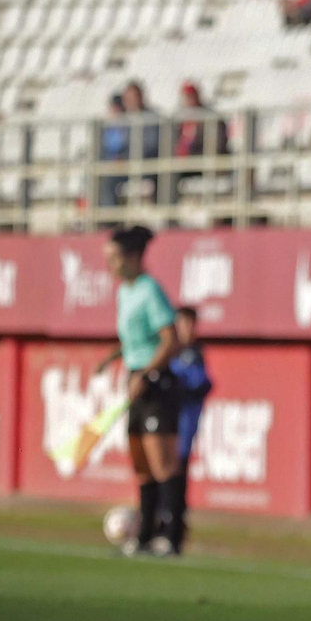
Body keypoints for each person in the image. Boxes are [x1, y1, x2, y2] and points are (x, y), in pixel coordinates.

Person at [96, 227, 187, 557]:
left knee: (163, 464)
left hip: (156, 383)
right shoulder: (125, 292)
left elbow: (170, 340)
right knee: (141, 465)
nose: (110, 265)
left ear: (133, 257)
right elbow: (135, 340)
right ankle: (145, 535)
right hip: (136, 379)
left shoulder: (150, 291)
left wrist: (147, 374)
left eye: (114, 258)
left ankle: (171, 536)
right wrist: (113, 358)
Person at [168, 306, 213, 549]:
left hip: (183, 427)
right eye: (182, 323)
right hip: (165, 425)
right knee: (162, 476)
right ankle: (162, 525)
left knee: (176, 476)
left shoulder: (194, 354)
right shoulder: (169, 350)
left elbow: (202, 384)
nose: (186, 329)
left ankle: (174, 530)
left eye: (189, 324)